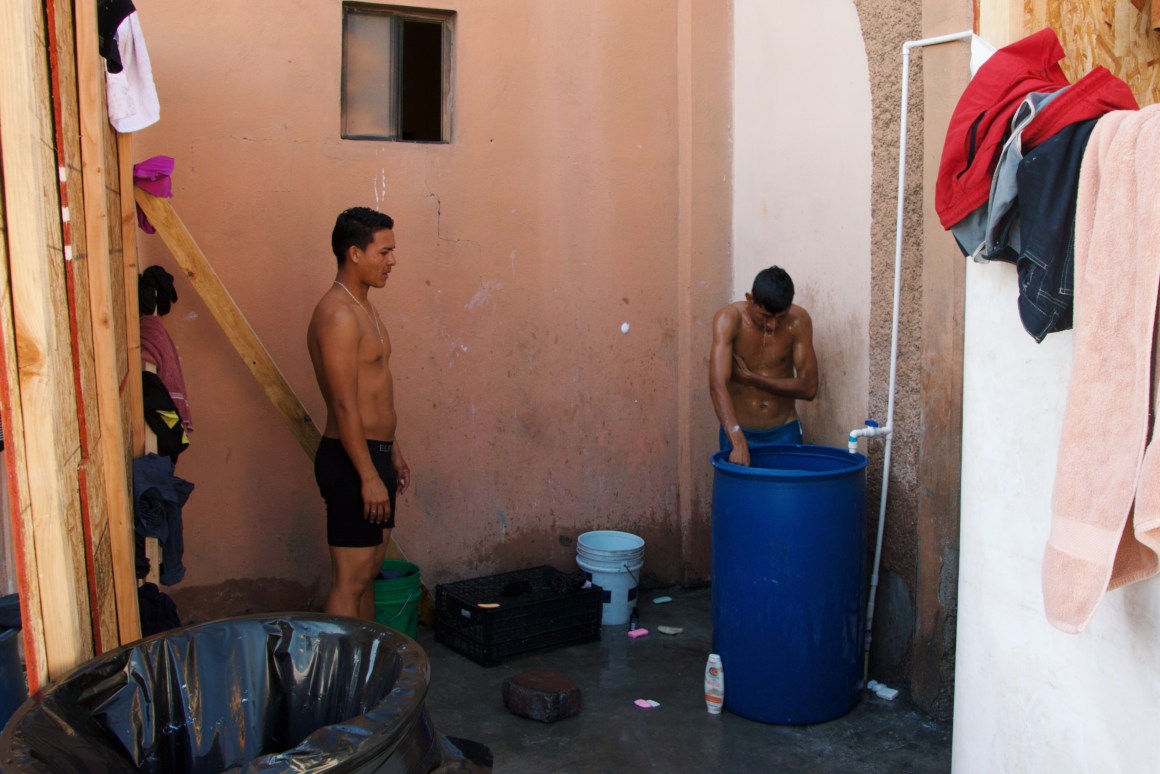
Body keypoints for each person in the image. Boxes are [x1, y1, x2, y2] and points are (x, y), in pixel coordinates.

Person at [308, 207, 411, 618]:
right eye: (384, 252)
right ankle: (337, 677)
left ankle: (365, 672)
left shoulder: (365, 307)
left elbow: (374, 391)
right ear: (354, 253)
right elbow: (344, 403)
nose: (392, 261)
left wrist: (393, 450)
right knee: (349, 582)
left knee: (367, 576)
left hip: (375, 454)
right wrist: (368, 476)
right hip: (352, 461)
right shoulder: (338, 314)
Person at [709, 265, 818, 466]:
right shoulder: (728, 319)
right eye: (766, 316)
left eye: (780, 317)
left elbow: (809, 388)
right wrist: (737, 439)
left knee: (788, 497)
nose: (773, 325)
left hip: (785, 431)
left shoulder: (799, 321)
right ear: (750, 299)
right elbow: (717, 385)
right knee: (739, 497)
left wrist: (754, 379)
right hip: (739, 431)